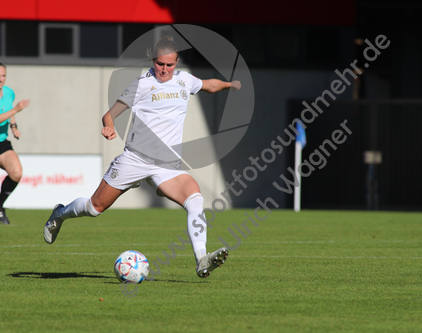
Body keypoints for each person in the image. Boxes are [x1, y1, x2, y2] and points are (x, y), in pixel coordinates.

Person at [43, 36, 241, 278]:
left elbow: (209, 85)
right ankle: (59, 214)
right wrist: (109, 126)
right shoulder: (141, 84)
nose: (164, 69)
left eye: (169, 65)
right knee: (95, 208)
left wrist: (229, 85)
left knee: (195, 198)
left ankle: (202, 258)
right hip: (135, 159)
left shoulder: (185, 81)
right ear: (153, 60)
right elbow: (109, 114)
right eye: (160, 64)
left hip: (167, 165)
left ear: (177, 62)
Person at [0, 63, 30, 225]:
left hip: (1, 142)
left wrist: (13, 126)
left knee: (16, 173)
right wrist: (17, 110)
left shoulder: (9, 92)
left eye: (3, 75)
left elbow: (8, 110)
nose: (0, 79)